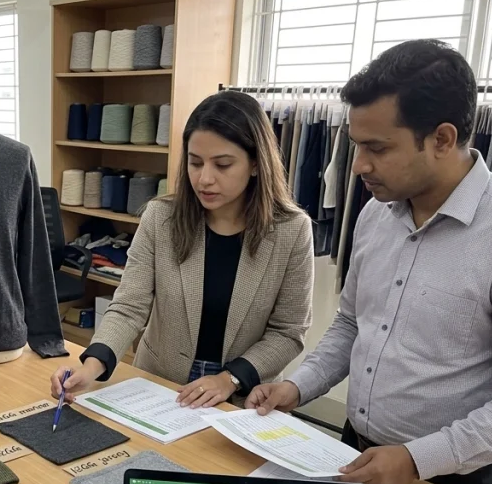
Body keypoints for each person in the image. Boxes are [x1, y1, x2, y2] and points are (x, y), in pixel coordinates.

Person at [247, 39, 492, 484]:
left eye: (378, 148)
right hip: (352, 450)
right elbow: (352, 324)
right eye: (356, 146)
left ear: (443, 139)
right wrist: (297, 386)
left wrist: (415, 459)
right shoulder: (376, 214)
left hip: (451, 479)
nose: (358, 166)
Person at [50, 91, 314, 408]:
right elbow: (129, 306)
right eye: (195, 162)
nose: (204, 179)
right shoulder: (162, 218)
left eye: (223, 165)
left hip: (245, 393)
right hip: (160, 384)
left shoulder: (292, 230)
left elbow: (288, 332)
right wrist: (89, 367)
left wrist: (229, 378)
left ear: (256, 164)